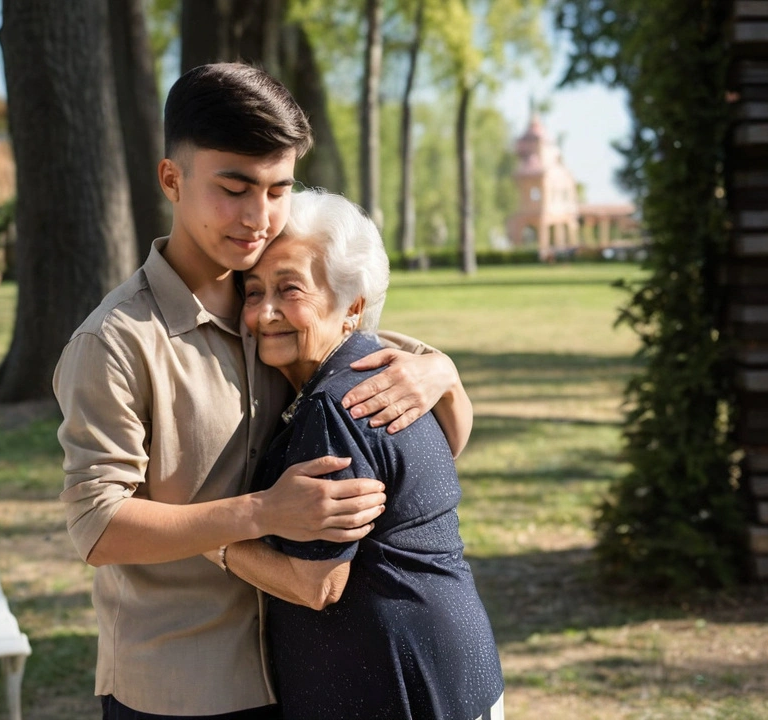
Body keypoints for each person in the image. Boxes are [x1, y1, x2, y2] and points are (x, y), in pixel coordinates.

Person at [54, 63, 473, 719]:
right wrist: (262, 513)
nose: (259, 216)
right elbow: (97, 526)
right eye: (235, 187)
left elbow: (372, 357)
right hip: (181, 689)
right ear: (172, 179)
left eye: (278, 190)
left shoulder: (268, 313)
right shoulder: (114, 342)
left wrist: (439, 370)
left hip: (299, 675)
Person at [207, 189, 505, 720]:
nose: (266, 312)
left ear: (354, 306)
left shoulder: (337, 403)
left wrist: (206, 537)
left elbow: (314, 583)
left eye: (289, 288)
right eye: (254, 292)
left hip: (396, 689)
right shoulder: (385, 367)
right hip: (453, 671)